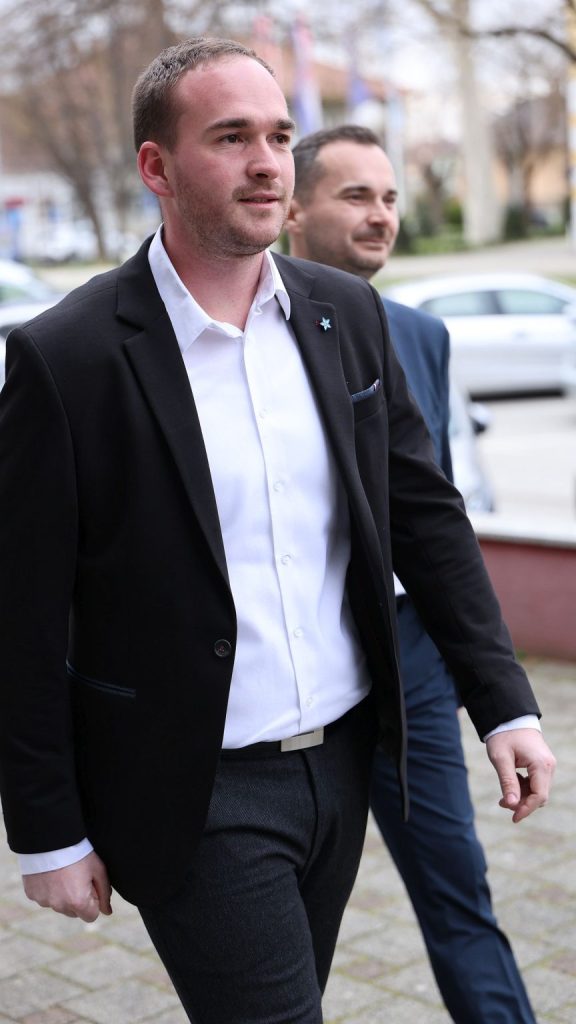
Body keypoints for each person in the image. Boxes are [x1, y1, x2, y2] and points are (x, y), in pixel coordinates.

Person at [0, 38, 555, 1024]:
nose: (266, 163)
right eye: (230, 138)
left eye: (278, 136)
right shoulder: (66, 355)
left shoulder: (348, 314)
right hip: (194, 787)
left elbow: (425, 517)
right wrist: (48, 828)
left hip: (345, 759)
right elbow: (24, 609)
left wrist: (504, 704)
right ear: (157, 167)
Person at [286, 123, 537, 1023]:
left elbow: (437, 519)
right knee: (278, 933)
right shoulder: (244, 339)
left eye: (390, 197)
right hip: (292, 663)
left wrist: (495, 695)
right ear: (292, 209)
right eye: (356, 195)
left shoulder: (424, 336)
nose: (381, 215)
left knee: (457, 888)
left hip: (411, 661)